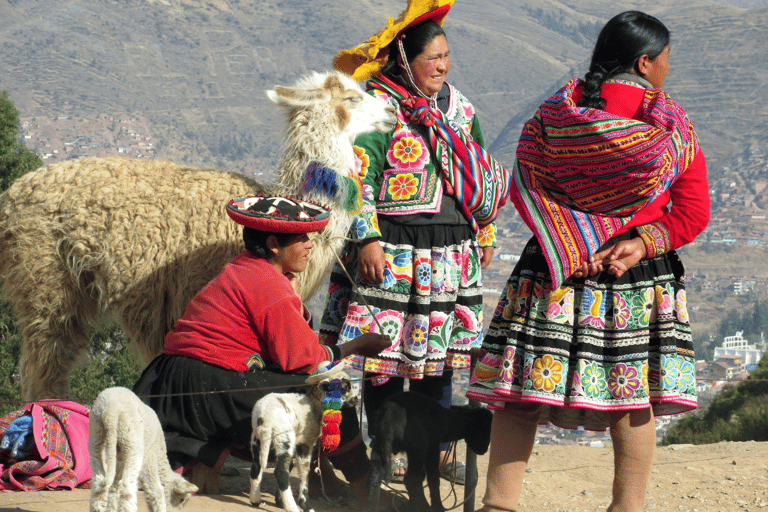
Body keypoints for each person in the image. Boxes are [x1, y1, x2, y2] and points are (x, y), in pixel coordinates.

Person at [465, 11, 710, 512]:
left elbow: (524, 185)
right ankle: (626, 507)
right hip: (636, 277)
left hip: (553, 270)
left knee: (521, 391)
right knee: (632, 398)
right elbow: (692, 210)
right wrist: (641, 243)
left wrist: (568, 242)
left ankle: (499, 505)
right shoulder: (669, 125)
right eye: (665, 59)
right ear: (645, 61)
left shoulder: (554, 115)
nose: (668, 69)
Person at [325, 0, 509, 483]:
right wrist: (365, 239)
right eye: (433, 58)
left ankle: (438, 451)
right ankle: (385, 453)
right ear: (406, 59)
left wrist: (484, 228)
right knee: (385, 356)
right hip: (393, 249)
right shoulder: (375, 108)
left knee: (439, 357)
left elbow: (479, 171)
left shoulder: (460, 107)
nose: (443, 66)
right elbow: (353, 178)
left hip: (451, 251)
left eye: (447, 56)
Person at [132, 195, 393, 507]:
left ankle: (321, 480)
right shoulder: (266, 282)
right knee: (331, 393)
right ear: (273, 244)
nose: (309, 245)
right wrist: (356, 346)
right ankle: (367, 491)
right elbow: (301, 361)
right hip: (202, 384)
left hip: (173, 379)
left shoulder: (246, 267)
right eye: (301, 238)